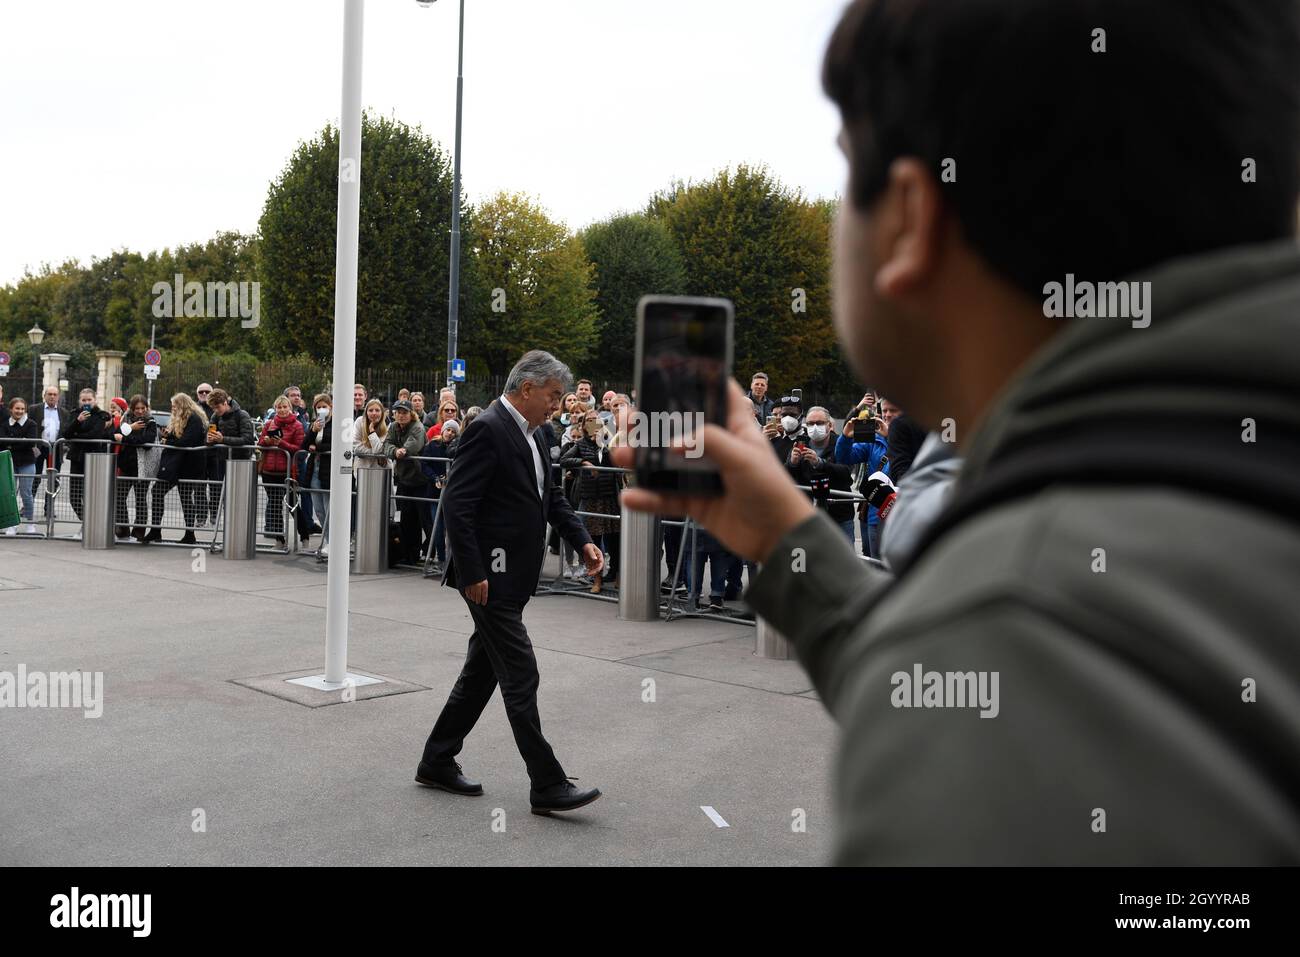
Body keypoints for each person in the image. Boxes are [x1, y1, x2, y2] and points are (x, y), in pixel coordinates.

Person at [615, 0, 1300, 865]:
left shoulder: (1023, 624)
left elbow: (1008, 691)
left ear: (908, 218)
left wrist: (966, 625)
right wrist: (790, 544)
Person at [418, 350, 604, 815]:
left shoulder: (534, 433)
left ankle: (437, 760)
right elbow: (458, 507)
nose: (558, 405)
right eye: (553, 395)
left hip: (511, 578)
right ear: (527, 389)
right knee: (521, 674)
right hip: (489, 580)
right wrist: (474, 572)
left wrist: (582, 541)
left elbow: (551, 499)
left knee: (481, 674)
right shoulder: (488, 428)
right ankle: (547, 784)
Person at [559, 409, 621, 593]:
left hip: (609, 497)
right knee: (593, 540)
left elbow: (617, 462)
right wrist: (584, 462)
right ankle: (597, 579)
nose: (593, 423)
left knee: (614, 540)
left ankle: (617, 575)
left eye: (596, 420)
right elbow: (564, 459)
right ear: (584, 425)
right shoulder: (580, 443)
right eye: (590, 420)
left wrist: (603, 443)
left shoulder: (609, 441)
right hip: (590, 497)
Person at [145, 393, 208, 544]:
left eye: (174, 406)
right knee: (160, 492)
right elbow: (180, 439)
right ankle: (156, 530)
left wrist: (170, 441)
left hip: (188, 465)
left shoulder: (194, 419)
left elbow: (188, 441)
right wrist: (169, 437)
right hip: (177, 463)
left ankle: (188, 534)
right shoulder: (180, 419)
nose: (172, 409)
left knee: (184, 497)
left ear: (183, 406)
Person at [787, 405, 856, 543]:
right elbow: (786, 477)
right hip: (806, 515)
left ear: (830, 425)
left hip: (839, 515)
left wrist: (820, 463)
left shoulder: (841, 443)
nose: (814, 427)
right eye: (811, 423)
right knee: (809, 560)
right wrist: (792, 463)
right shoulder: (800, 443)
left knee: (843, 560)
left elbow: (846, 472)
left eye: (819, 423)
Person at [59, 388, 115, 526]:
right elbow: (66, 433)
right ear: (80, 401)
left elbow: (95, 435)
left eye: (89, 400)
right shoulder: (75, 414)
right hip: (77, 457)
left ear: (94, 400)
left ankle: (92, 524)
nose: (86, 403)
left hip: (93, 458)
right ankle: (88, 521)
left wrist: (76, 436)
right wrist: (78, 421)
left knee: (91, 494)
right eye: (84, 400)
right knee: (74, 496)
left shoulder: (101, 415)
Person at [384, 399, 428, 565]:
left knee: (425, 520)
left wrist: (401, 450)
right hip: (405, 479)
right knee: (407, 519)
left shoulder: (417, 427)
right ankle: (410, 555)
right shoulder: (393, 427)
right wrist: (395, 451)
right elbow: (386, 445)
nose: (401, 415)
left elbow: (413, 446)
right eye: (398, 412)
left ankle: (431, 554)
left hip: (421, 479)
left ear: (411, 414)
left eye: (404, 412)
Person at [256, 395, 304, 545]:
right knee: (275, 505)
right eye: (279, 407)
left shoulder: (297, 425)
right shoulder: (269, 423)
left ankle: (305, 536)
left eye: (285, 407)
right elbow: (260, 443)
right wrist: (267, 441)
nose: (282, 410)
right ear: (275, 408)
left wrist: (282, 443)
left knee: (292, 505)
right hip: (269, 472)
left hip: (288, 472)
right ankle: (279, 540)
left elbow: (299, 449)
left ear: (290, 408)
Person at [113, 395, 159, 541]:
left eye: (142, 408)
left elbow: (146, 442)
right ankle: (122, 528)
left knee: (140, 499)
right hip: (126, 464)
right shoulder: (125, 420)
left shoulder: (150, 422)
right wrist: (130, 429)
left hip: (142, 467)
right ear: (132, 409)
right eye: (137, 408)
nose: (140, 411)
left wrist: (126, 438)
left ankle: (139, 531)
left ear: (146, 408)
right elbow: (113, 435)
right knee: (119, 497)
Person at [1, 397, 44, 534]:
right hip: (10, 462)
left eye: (22, 409)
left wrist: (12, 442)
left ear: (25, 410)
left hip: (27, 462)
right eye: (17, 408)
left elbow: (30, 442)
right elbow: (2, 442)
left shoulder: (31, 424)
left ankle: (30, 523)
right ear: (11, 409)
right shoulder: (4, 424)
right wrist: (20, 440)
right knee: (10, 493)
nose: (19, 411)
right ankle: (11, 524)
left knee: (26, 493)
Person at [31, 385, 68, 514]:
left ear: (58, 397)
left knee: (53, 478)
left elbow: (65, 431)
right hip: (38, 448)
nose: (52, 397)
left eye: (54, 394)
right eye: (49, 394)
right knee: (35, 477)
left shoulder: (63, 412)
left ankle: (49, 507)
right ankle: (28, 506)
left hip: (55, 449)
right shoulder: (35, 409)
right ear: (44, 395)